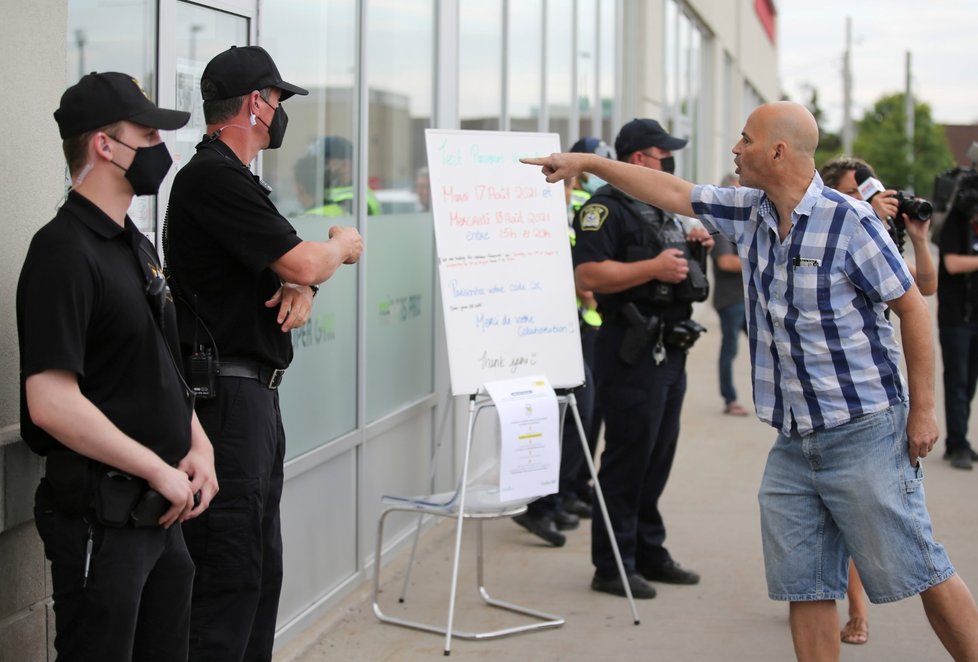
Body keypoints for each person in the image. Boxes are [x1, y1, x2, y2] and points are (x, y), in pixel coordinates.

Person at [524, 101, 978, 660]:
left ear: (778, 151)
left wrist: (924, 410)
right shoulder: (749, 212)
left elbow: (912, 309)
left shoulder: (851, 222)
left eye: (744, 140)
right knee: (805, 587)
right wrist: (585, 164)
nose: (735, 150)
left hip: (863, 434)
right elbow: (668, 192)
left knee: (921, 568)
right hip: (792, 443)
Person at [164, 46, 363, 661]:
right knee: (227, 579)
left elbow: (282, 267)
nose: (280, 114)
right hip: (223, 403)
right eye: (278, 101)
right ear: (256, 103)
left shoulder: (237, 180)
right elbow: (300, 257)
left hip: (250, 398)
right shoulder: (213, 177)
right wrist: (341, 244)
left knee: (257, 572)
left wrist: (299, 283)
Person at [18, 71, 218, 660]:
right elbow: (51, 402)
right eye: (149, 136)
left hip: (159, 514)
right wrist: (155, 471)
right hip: (102, 522)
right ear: (105, 145)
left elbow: (158, 366)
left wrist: (197, 445)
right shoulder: (62, 251)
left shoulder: (133, 243)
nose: (162, 150)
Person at [569, 119, 711, 600]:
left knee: (657, 456)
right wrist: (651, 267)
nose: (668, 162)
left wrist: (692, 250)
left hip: (670, 347)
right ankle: (612, 565)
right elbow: (587, 273)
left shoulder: (661, 210)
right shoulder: (604, 209)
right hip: (630, 348)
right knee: (628, 458)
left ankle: (649, 550)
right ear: (637, 161)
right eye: (661, 154)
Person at [820, 155, 940, 645]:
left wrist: (918, 235)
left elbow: (925, 288)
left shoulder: (875, 233)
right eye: (860, 188)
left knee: (864, 517)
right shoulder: (831, 227)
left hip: (873, 391)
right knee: (839, 515)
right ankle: (853, 608)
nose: (876, 197)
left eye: (877, 188)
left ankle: (842, 602)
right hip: (829, 397)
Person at [936, 176, 978, 471]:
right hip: (955, 317)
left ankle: (958, 441)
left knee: (970, 380)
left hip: (975, 315)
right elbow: (952, 264)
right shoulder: (956, 222)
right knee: (957, 381)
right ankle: (958, 443)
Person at [711, 172, 750, 417]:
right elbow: (725, 262)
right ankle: (730, 399)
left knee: (770, 348)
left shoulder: (743, 223)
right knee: (730, 350)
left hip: (747, 299)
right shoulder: (720, 226)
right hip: (730, 300)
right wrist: (759, 256)